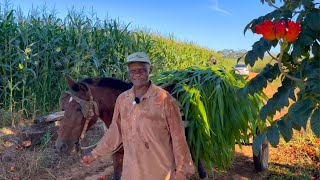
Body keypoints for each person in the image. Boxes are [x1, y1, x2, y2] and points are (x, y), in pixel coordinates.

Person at [81, 52, 195, 180]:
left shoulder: (165, 100)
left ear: (150, 70)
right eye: (132, 71)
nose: (137, 74)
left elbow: (178, 138)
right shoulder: (123, 100)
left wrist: (182, 172)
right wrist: (95, 154)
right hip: (131, 172)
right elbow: (115, 131)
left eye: (141, 70)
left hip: (159, 172)